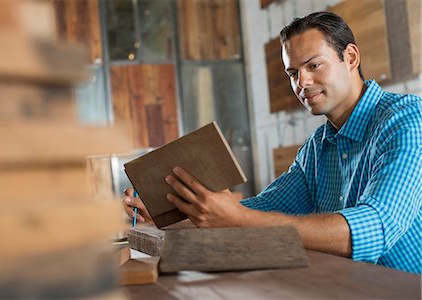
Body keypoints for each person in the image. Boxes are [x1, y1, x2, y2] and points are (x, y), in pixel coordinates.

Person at [123, 12, 421, 274]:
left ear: (351, 57)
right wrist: (176, 213)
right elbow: (258, 212)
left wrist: (238, 218)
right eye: (293, 73)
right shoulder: (317, 148)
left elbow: (375, 228)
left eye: (314, 65)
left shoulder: (407, 120)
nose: (301, 83)